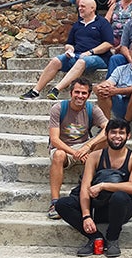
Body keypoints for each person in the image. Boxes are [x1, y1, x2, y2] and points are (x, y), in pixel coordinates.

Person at [54, 118, 132, 258]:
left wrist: (103, 186)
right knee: (62, 204)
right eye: (113, 132)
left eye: (122, 132)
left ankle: (113, 238)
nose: (117, 136)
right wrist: (86, 216)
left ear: (128, 136)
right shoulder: (95, 156)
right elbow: (85, 187)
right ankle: (95, 237)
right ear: (107, 134)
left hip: (120, 209)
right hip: (97, 207)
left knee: (119, 196)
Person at [20, 0, 113, 101]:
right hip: (77, 55)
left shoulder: (103, 23)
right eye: (79, 6)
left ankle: (56, 90)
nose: (80, 8)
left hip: (98, 57)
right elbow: (69, 43)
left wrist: (90, 52)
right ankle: (35, 91)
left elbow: (108, 44)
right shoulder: (77, 24)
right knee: (56, 60)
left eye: (83, 6)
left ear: (92, 8)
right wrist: (69, 50)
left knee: (82, 61)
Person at [45, 77, 108, 219]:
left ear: (89, 95)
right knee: (58, 156)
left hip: (83, 145)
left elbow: (108, 128)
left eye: (84, 93)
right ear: (71, 93)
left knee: (108, 140)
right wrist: (75, 153)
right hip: (63, 147)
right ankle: (55, 202)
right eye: (77, 92)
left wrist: (88, 146)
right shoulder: (59, 108)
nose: (80, 96)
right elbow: (54, 139)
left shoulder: (93, 109)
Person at [94, 40, 132, 121]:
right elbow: (109, 81)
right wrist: (101, 87)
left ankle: (126, 123)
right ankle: (106, 125)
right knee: (102, 90)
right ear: (129, 52)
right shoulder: (120, 69)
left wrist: (117, 91)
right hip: (120, 103)